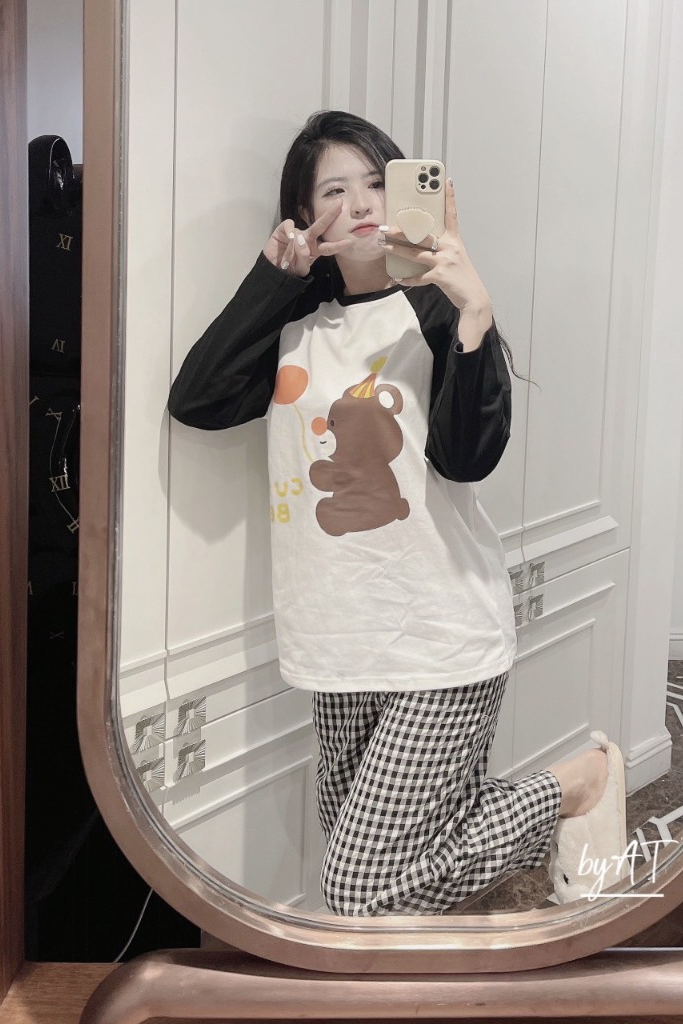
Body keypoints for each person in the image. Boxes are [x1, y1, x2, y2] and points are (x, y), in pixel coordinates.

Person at [168, 110, 626, 916]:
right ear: (304, 215)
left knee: (358, 887)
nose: (360, 204)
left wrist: (474, 316)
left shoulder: (438, 312)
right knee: (388, 884)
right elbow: (198, 401)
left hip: (441, 634)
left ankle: (577, 786)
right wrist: (273, 279)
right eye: (332, 192)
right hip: (332, 638)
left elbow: (467, 458)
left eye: (378, 183)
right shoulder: (293, 328)